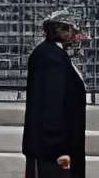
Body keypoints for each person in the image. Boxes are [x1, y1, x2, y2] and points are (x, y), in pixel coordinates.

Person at [21, 10, 88, 174]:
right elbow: (52, 105)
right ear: (61, 31)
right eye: (72, 30)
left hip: (53, 148)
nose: (76, 35)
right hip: (52, 150)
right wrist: (60, 149)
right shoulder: (51, 57)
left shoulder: (53, 54)